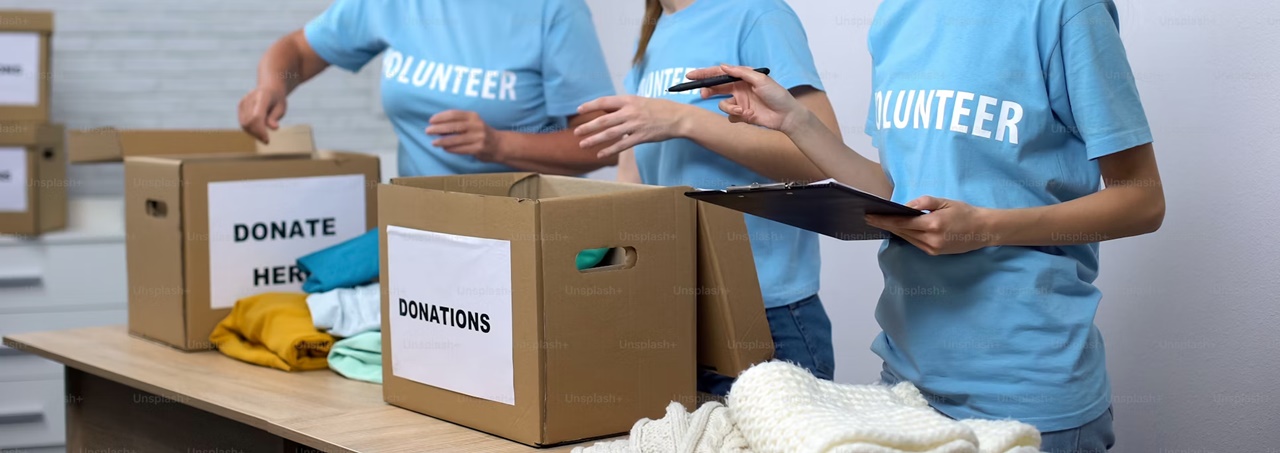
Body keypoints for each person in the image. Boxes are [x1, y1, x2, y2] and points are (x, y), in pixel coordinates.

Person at [688, 0, 1165, 450]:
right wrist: (796, 122)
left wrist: (988, 227)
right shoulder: (897, 14)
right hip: (907, 383)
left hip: (1029, 394)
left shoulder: (1064, 11)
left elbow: (1142, 200)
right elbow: (898, 193)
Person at [573, 0, 843, 394]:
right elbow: (633, 177)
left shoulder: (759, 15)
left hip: (767, 314)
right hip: (680, 310)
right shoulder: (655, 30)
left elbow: (823, 158)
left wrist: (685, 120)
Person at [238, 0, 618, 177]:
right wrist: (273, 86)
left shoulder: (554, 10)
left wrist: (499, 145)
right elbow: (299, 52)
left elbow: (605, 146)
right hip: (418, 219)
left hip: (518, 225)